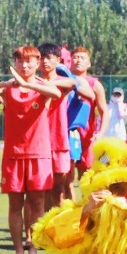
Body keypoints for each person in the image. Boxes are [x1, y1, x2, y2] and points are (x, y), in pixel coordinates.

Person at [0, 46, 62, 254]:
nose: (24, 65)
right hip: (13, 155)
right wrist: (6, 84)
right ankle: (18, 252)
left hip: (38, 154)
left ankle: (34, 249)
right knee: (15, 205)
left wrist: (27, 84)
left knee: (37, 204)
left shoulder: (43, 86)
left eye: (29, 61)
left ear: (37, 63)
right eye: (20, 61)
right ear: (15, 64)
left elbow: (56, 93)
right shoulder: (8, 89)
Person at [38, 42, 93, 208]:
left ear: (58, 60)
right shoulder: (32, 81)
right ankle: (42, 222)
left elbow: (89, 95)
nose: (45, 61)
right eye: (42, 58)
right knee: (39, 189)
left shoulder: (69, 80)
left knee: (63, 184)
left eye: (49, 58)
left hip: (62, 136)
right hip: (38, 140)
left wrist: (69, 82)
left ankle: (67, 218)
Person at [68, 47, 108, 177]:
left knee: (87, 175)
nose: (78, 60)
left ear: (89, 63)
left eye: (82, 58)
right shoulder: (62, 80)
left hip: (87, 136)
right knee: (65, 176)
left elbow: (104, 111)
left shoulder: (94, 84)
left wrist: (100, 133)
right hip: (66, 134)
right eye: (75, 57)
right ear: (70, 60)